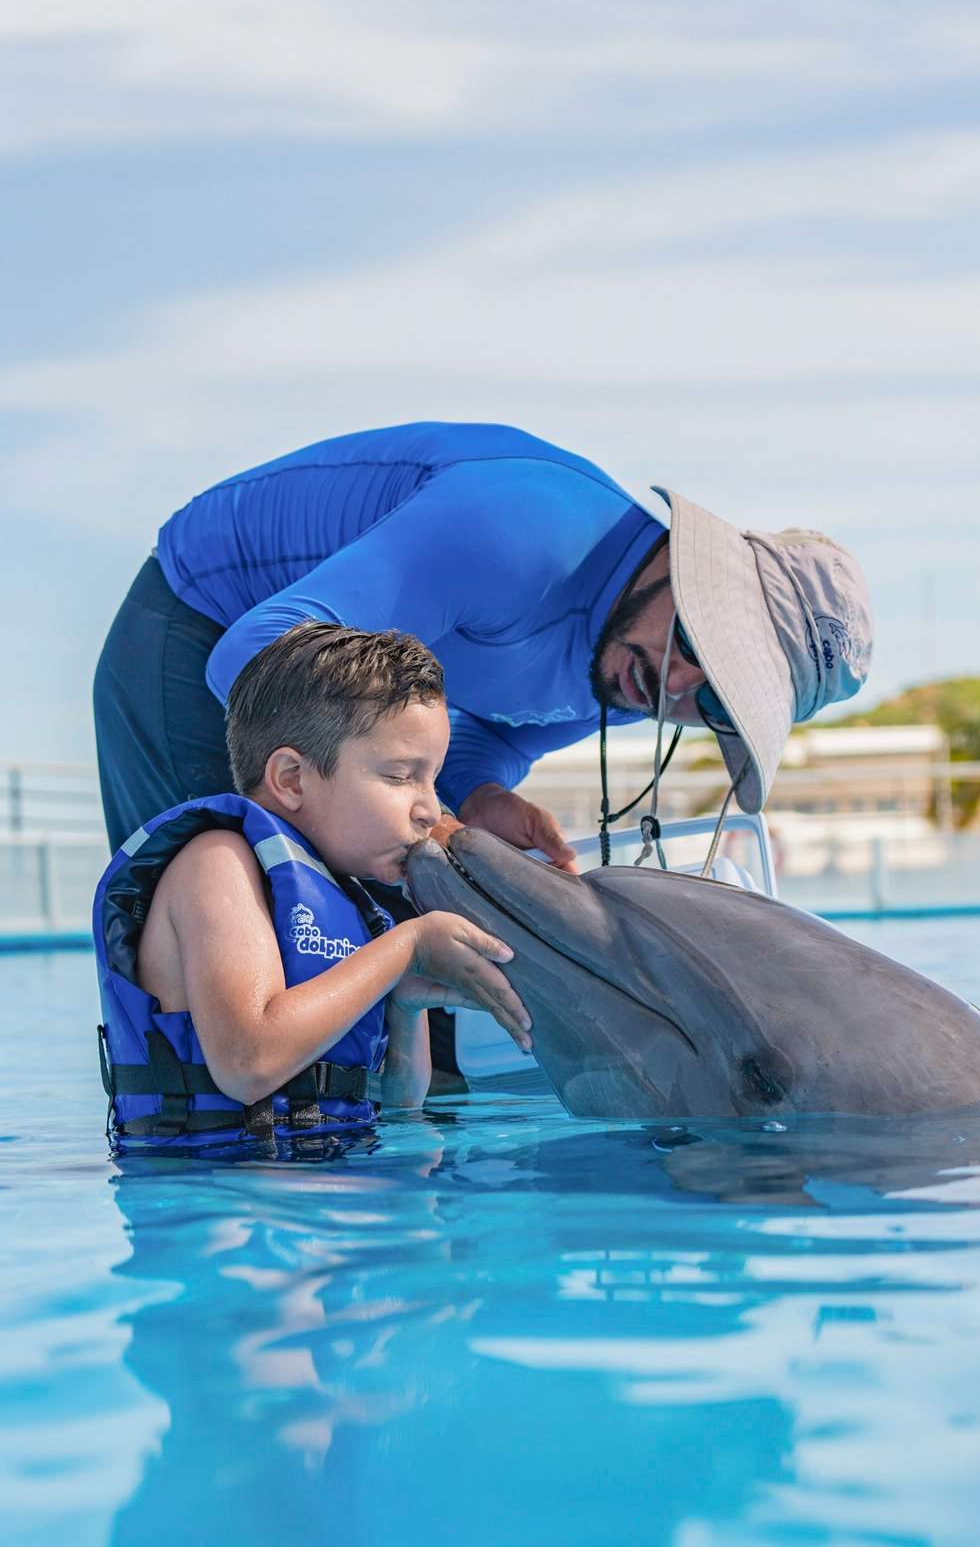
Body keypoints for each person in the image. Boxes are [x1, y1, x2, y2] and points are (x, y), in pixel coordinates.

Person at [93, 421, 874, 866]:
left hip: (301, 690)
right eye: (706, 640)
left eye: (717, 695)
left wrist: (482, 799)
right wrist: (428, 817)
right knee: (215, 910)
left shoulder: (638, 674)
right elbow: (252, 654)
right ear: (688, 569)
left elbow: (482, 746)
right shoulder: (520, 528)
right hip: (198, 621)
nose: (680, 685)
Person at [94, 622, 531, 1145]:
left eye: (433, 778)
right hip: (216, 1198)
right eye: (400, 776)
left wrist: (405, 1003)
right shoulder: (218, 864)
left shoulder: (346, 898)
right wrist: (406, 947)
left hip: (319, 1185)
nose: (430, 809)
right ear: (292, 779)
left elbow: (397, 1105)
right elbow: (248, 1063)